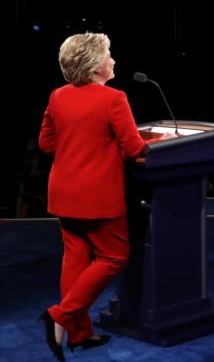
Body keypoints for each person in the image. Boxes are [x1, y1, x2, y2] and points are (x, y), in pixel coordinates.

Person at [37, 33, 174, 359]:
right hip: (97, 195)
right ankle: (60, 315)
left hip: (64, 192)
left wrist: (80, 147)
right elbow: (133, 148)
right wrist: (163, 138)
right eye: (109, 54)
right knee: (114, 257)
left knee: (76, 258)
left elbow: (46, 143)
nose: (113, 59)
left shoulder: (57, 96)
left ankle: (80, 334)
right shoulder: (114, 98)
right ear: (97, 65)